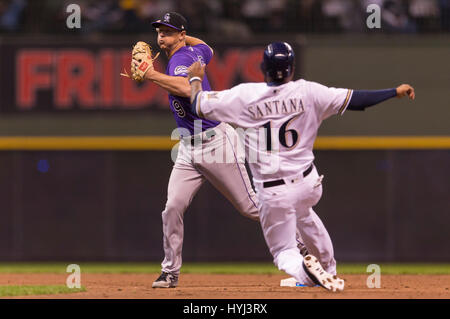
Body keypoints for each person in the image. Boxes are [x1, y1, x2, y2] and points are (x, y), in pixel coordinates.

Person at [187, 42, 415, 290]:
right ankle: (328, 270)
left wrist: (195, 79)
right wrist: (394, 91)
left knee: (284, 251)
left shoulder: (243, 96)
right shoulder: (309, 92)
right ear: (292, 68)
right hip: (307, 183)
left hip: (274, 190)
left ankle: (305, 271)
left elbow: (197, 104)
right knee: (304, 216)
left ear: (262, 67)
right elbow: (357, 100)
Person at [135, 12, 307, 289]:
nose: (161, 36)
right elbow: (208, 47)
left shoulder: (181, 59)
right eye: (159, 32)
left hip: (216, 143)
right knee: (173, 207)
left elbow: (186, 87)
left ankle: (304, 250)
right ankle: (170, 272)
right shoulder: (197, 51)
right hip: (188, 148)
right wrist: (181, 37)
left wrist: (151, 74)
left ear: (180, 35)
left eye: (167, 32)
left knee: (252, 206)